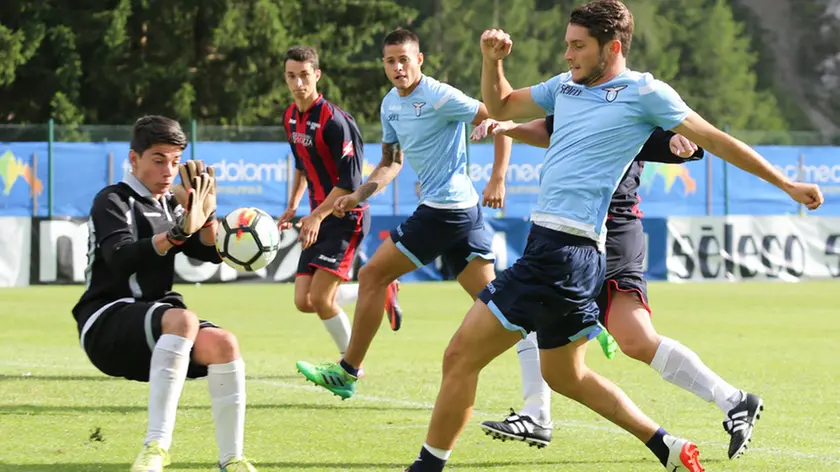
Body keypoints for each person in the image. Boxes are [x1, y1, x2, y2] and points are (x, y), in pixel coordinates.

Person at [404, 1, 823, 470]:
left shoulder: (645, 92)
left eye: (578, 46)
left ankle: (426, 466)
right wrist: (492, 61)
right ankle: (666, 445)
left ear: (613, 47)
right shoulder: (565, 86)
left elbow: (716, 140)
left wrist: (786, 183)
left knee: (459, 356)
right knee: (563, 375)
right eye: (567, 45)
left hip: (564, 252)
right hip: (563, 250)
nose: (568, 55)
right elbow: (500, 103)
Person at [475, 115, 765, 460]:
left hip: (612, 233)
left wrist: (679, 143)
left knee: (634, 339)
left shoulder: (630, 101)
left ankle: (733, 400)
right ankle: (536, 412)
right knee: (539, 316)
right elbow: (547, 126)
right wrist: (509, 126)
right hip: (566, 235)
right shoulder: (577, 96)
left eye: (578, 54)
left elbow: (668, 137)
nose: (570, 57)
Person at [295, 28, 513, 399]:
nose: (397, 68)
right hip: (462, 211)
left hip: (445, 209)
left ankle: (348, 370)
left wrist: (498, 178)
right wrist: (359, 194)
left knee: (373, 274)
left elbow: (500, 117)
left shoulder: (439, 95)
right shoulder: (390, 104)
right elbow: (391, 162)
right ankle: (562, 328)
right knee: (498, 303)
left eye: (404, 60)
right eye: (390, 61)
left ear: (419, 60)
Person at [71, 115, 257, 472]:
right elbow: (121, 257)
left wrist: (206, 214)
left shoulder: (172, 204)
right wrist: (175, 232)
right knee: (182, 319)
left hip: (161, 325)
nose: (168, 171)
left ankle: (231, 459)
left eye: (175, 161)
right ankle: (155, 448)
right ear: (133, 158)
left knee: (224, 344)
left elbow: (208, 254)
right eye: (158, 159)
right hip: (105, 322)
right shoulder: (112, 199)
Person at [277, 45, 404, 362]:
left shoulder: (336, 122)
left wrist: (316, 217)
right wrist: (293, 206)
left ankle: (349, 367)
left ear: (317, 75)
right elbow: (301, 165)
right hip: (317, 216)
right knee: (303, 301)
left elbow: (349, 184)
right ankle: (379, 291)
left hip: (346, 216)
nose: (298, 84)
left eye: (304, 76)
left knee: (320, 298)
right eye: (291, 76)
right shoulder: (291, 116)